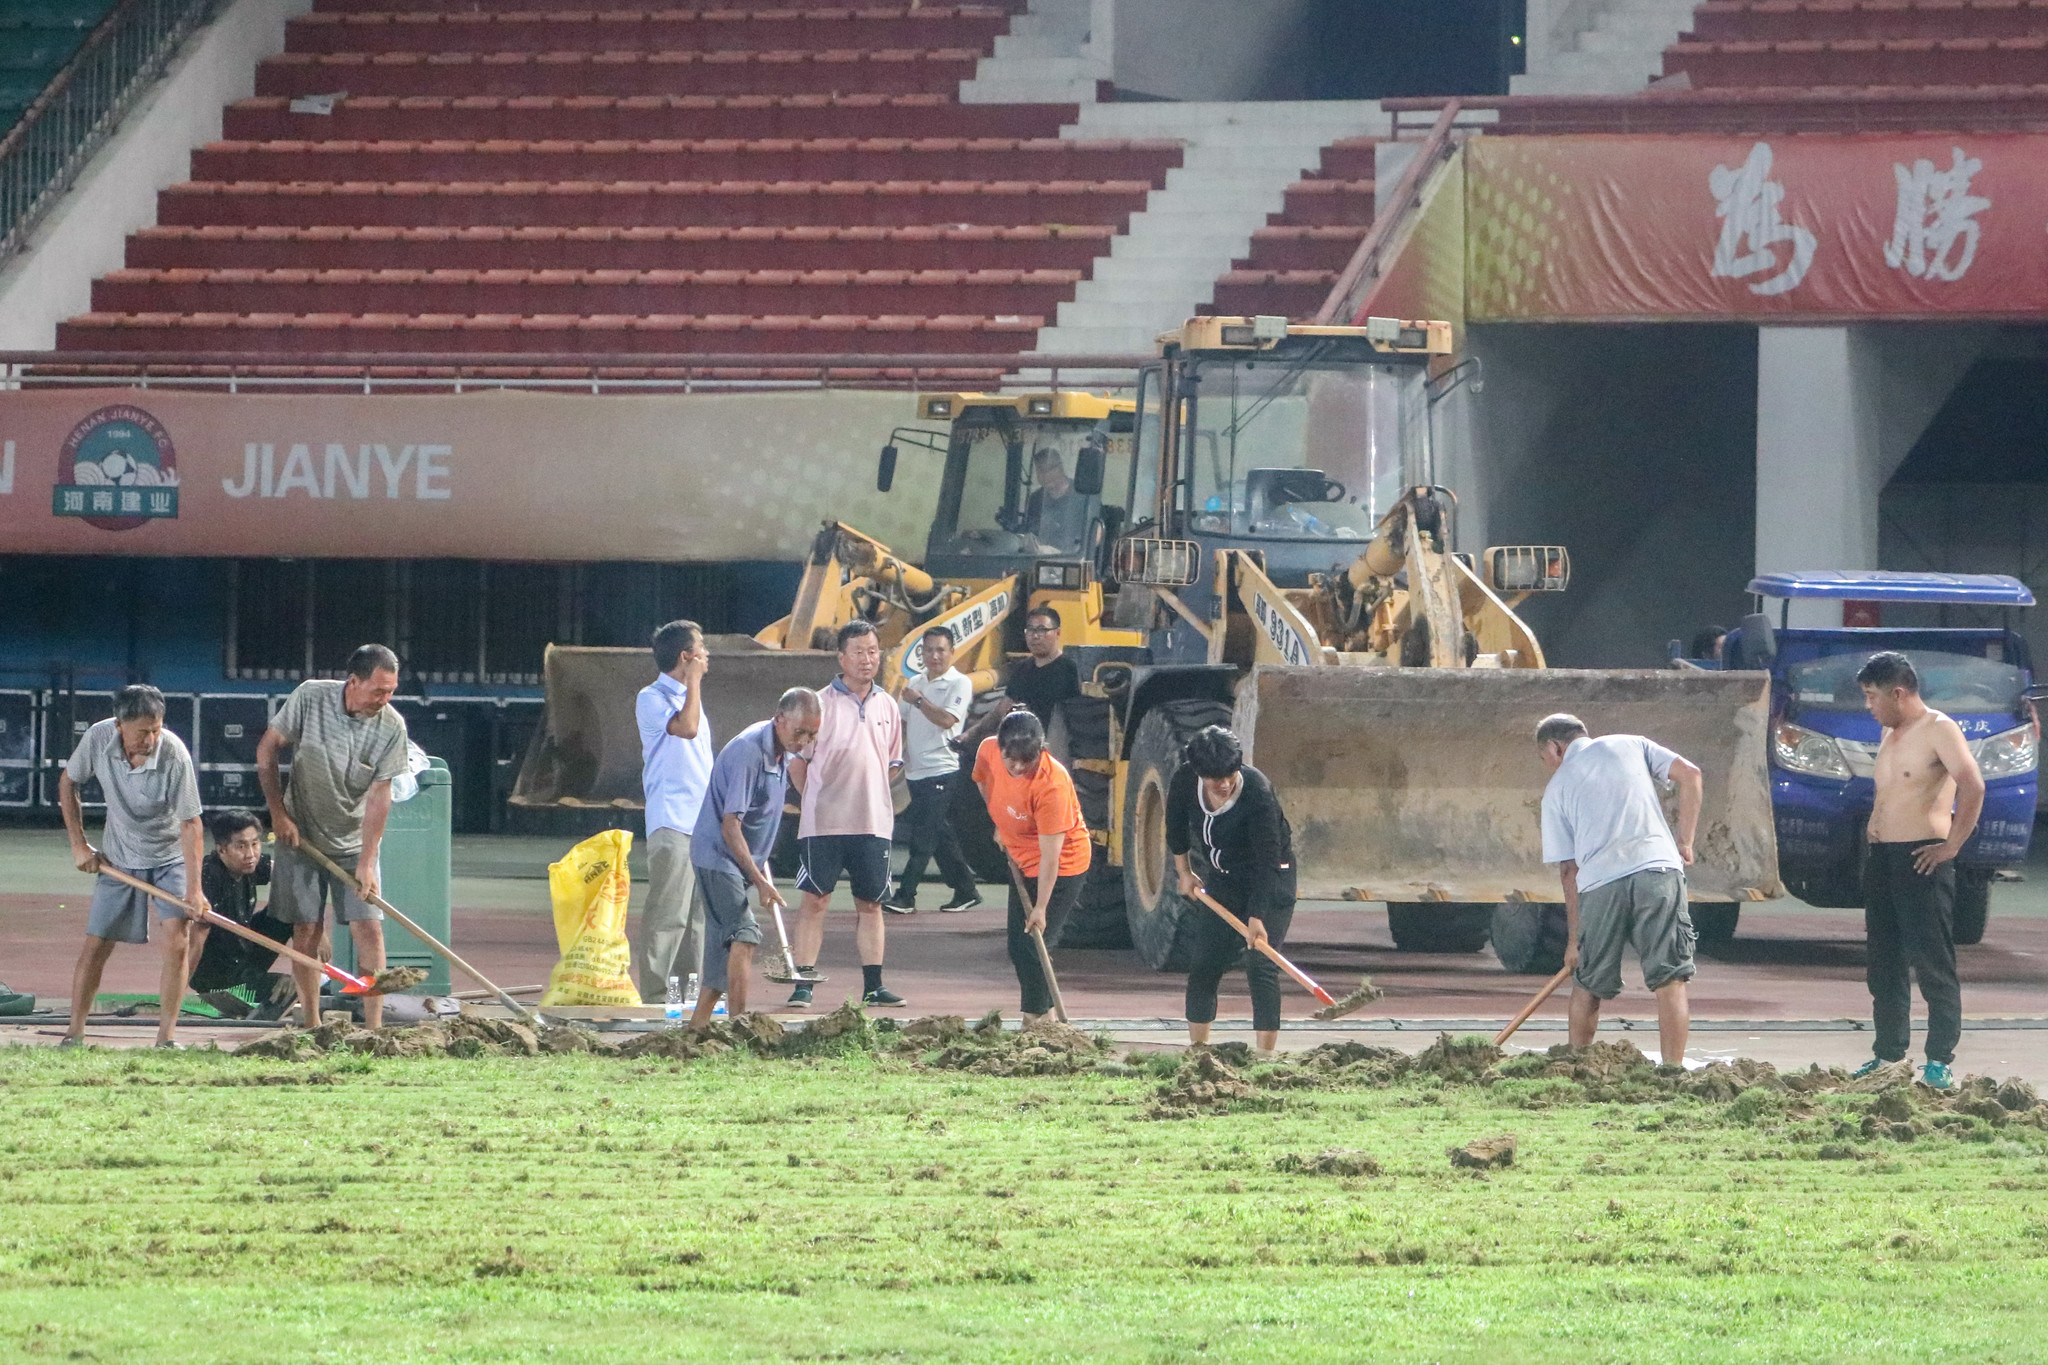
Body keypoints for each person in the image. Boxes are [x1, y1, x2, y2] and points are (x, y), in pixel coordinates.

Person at [1536, 712, 1702, 1068]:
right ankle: (1673, 1071)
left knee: (1587, 985)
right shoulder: (1631, 743)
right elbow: (1691, 775)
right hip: (1657, 870)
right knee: (1670, 979)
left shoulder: (1555, 791)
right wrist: (1684, 842)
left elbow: (1569, 870)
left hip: (1601, 884)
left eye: (1545, 759)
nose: (1548, 766)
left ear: (1555, 747)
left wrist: (1573, 940)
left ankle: (1579, 1067)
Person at [258, 644, 410, 1031]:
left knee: (369, 928)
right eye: (378, 691)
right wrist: (279, 816)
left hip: (355, 843)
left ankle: (374, 1029)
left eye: (391, 691)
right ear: (353, 682)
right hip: (300, 837)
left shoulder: (391, 727)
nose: (385, 699)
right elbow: (267, 751)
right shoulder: (310, 697)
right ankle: (311, 1024)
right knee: (306, 930)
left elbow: (380, 796)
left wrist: (367, 860)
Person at [1855, 651, 1983, 1090]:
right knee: (1883, 962)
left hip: (1921, 858)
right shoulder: (1892, 734)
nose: (1868, 707)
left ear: (1898, 692)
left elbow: (1973, 784)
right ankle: (1889, 1054)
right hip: (1883, 859)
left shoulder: (1938, 728)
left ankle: (1939, 1060)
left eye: (1872, 697)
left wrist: (1952, 846)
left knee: (1932, 962)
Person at [58, 684, 208, 1048]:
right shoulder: (97, 738)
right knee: (96, 945)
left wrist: (194, 888)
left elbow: (191, 823)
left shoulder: (174, 754)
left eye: (157, 728)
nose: (151, 738)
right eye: (143, 731)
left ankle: (166, 1039)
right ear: (119, 725)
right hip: (119, 857)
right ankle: (73, 1035)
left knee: (177, 940)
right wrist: (79, 845)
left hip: (169, 856)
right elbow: (68, 783)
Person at [788, 620, 905, 1009]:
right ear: (841, 657)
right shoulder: (816, 704)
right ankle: (802, 985)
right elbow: (797, 763)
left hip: (873, 823)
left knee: (870, 904)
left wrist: (868, 794)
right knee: (815, 901)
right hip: (823, 825)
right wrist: (816, 799)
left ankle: (874, 986)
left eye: (873, 652)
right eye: (858, 652)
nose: (867, 660)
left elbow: (892, 764)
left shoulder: (887, 704)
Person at [689, 688, 821, 1026]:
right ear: (779, 720)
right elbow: (730, 825)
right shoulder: (749, 752)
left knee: (723, 949)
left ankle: (697, 1028)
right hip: (717, 857)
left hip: (739, 861)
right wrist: (761, 882)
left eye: (812, 734)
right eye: (799, 732)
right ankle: (741, 1027)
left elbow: (759, 819)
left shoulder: (783, 754)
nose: (804, 741)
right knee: (745, 934)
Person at [1167, 725, 1297, 1059]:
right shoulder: (1184, 781)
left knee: (1260, 962)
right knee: (1205, 963)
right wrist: (1184, 872)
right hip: (1223, 879)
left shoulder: (1257, 792)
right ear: (1199, 774)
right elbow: (1175, 825)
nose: (1224, 784)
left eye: (1230, 775)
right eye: (1215, 779)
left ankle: (1265, 1058)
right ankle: (1198, 1052)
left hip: (1270, 879)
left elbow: (1269, 862)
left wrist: (1257, 917)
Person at [973, 710, 1091, 1024]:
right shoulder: (987, 750)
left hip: (1062, 864)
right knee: (1018, 945)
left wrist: (1040, 907)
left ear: (1040, 750)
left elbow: (1051, 855)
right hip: (1021, 854)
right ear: (1000, 748)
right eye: (1012, 760)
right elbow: (985, 783)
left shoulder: (1052, 784)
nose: (1019, 767)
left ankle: (1038, 1021)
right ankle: (1042, 1016)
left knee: (1035, 944)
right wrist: (1000, 823)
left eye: (1027, 760)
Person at [632, 619, 715, 1008]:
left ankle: (687, 1000)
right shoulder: (651, 697)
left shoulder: (692, 701)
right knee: (669, 915)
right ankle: (655, 998)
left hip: (701, 824)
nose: (708, 655)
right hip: (672, 821)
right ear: (687, 657)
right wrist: (693, 682)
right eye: (702, 649)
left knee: (697, 921)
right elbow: (687, 729)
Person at [888, 625, 982, 914]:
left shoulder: (959, 683)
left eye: (940, 649)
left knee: (924, 836)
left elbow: (946, 720)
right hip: (916, 771)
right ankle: (966, 890)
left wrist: (917, 699)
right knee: (939, 833)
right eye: (928, 650)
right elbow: (902, 724)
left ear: (952, 652)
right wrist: (895, 758)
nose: (934, 655)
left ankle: (906, 896)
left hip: (942, 769)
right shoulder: (916, 681)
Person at [187, 808, 292, 1018]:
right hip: (219, 976)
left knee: (288, 913)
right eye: (241, 846)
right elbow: (195, 940)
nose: (251, 854)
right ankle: (252, 1015)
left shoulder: (250, 865)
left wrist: (319, 934)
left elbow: (288, 875)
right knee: (290, 988)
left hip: (243, 953)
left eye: (255, 844)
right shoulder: (210, 879)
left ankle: (301, 979)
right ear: (221, 849)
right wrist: (179, 987)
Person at [1000, 605, 1081, 729]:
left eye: (1042, 630)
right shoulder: (1022, 669)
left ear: (1057, 632)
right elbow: (1002, 709)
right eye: (1031, 630)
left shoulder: (1069, 669)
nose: (1035, 636)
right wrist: (969, 735)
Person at [1022, 447, 1097, 554]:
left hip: (1073, 561)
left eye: (1047, 470)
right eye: (1039, 471)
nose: (1043, 476)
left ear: (1060, 468)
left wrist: (1066, 553)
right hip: (1039, 560)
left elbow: (1096, 535)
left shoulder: (1084, 496)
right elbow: (1029, 531)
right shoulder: (1035, 499)